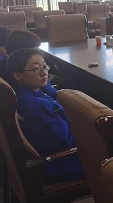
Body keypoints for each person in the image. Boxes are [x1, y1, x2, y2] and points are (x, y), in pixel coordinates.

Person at [6, 48, 84, 182]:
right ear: (18, 75)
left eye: (44, 66)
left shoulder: (27, 93)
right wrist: (90, 132)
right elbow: (65, 142)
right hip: (65, 163)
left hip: (62, 155)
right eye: (36, 69)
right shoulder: (34, 105)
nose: (44, 73)